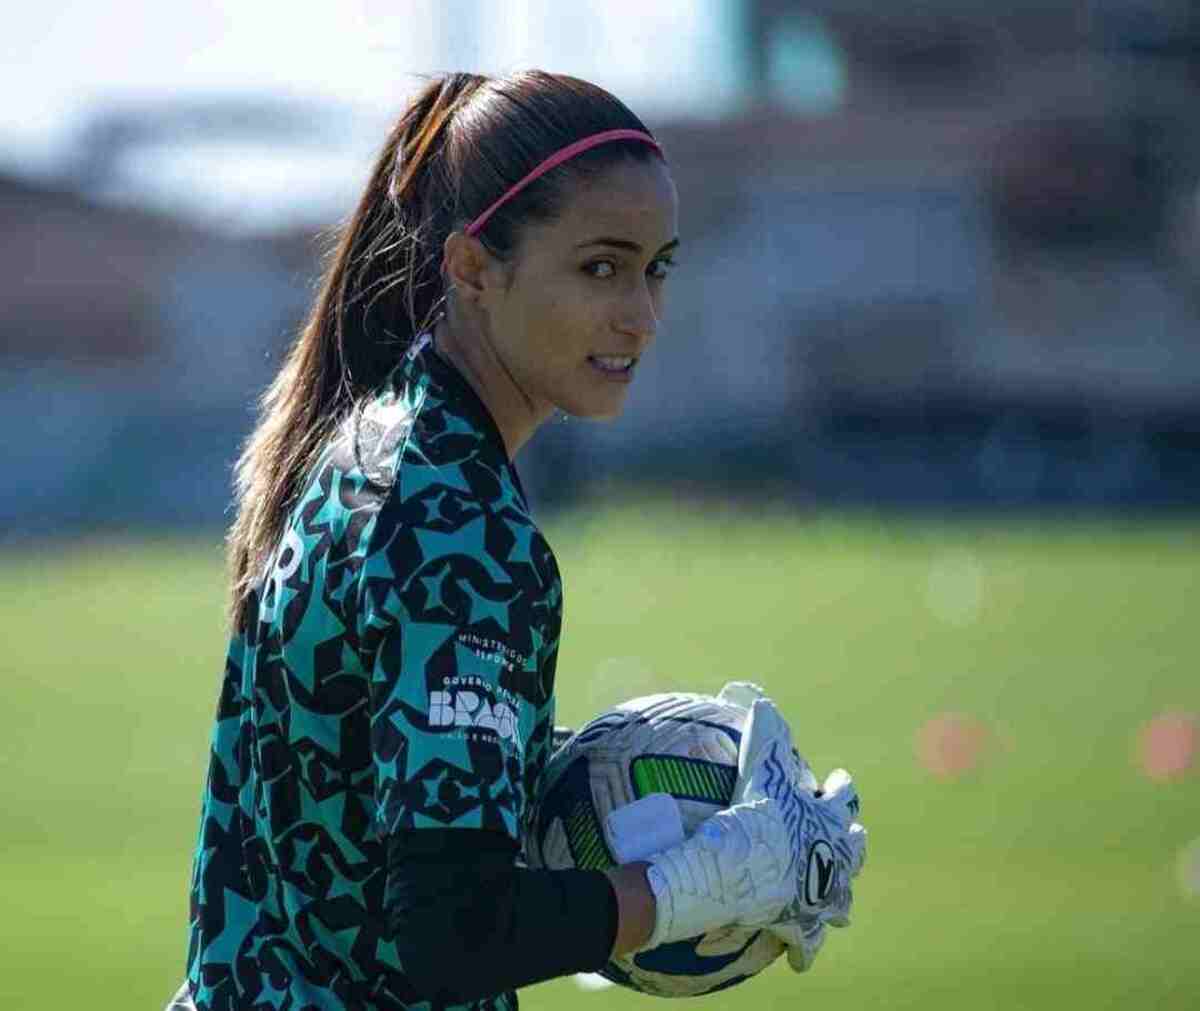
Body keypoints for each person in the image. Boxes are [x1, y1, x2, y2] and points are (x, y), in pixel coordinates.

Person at [169, 69, 865, 1011]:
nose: (640, 315)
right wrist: (697, 886)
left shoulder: (363, 446)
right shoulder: (462, 528)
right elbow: (453, 935)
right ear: (471, 267)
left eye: (657, 267)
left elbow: (368, 809)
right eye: (600, 267)